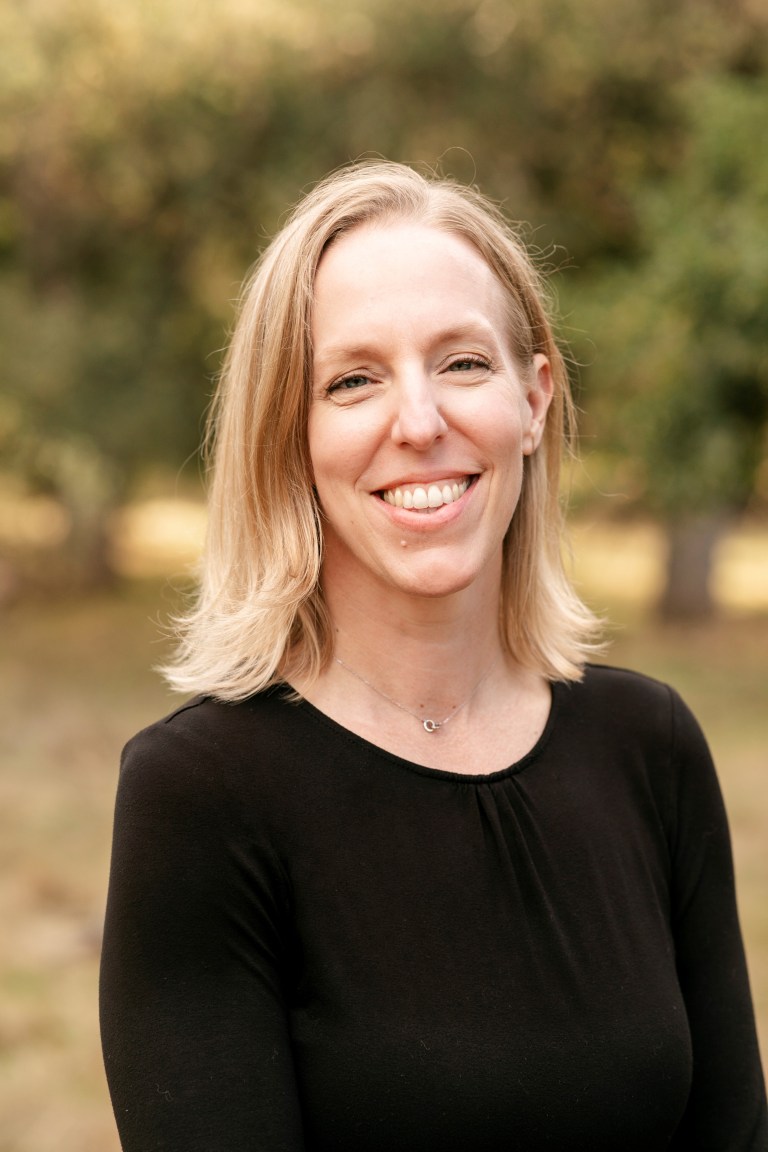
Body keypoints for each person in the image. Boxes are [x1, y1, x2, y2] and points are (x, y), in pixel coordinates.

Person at [99, 161, 767, 1150]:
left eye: (462, 363)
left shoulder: (650, 745)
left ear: (534, 400)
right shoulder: (202, 794)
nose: (419, 423)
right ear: (291, 434)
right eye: (354, 379)